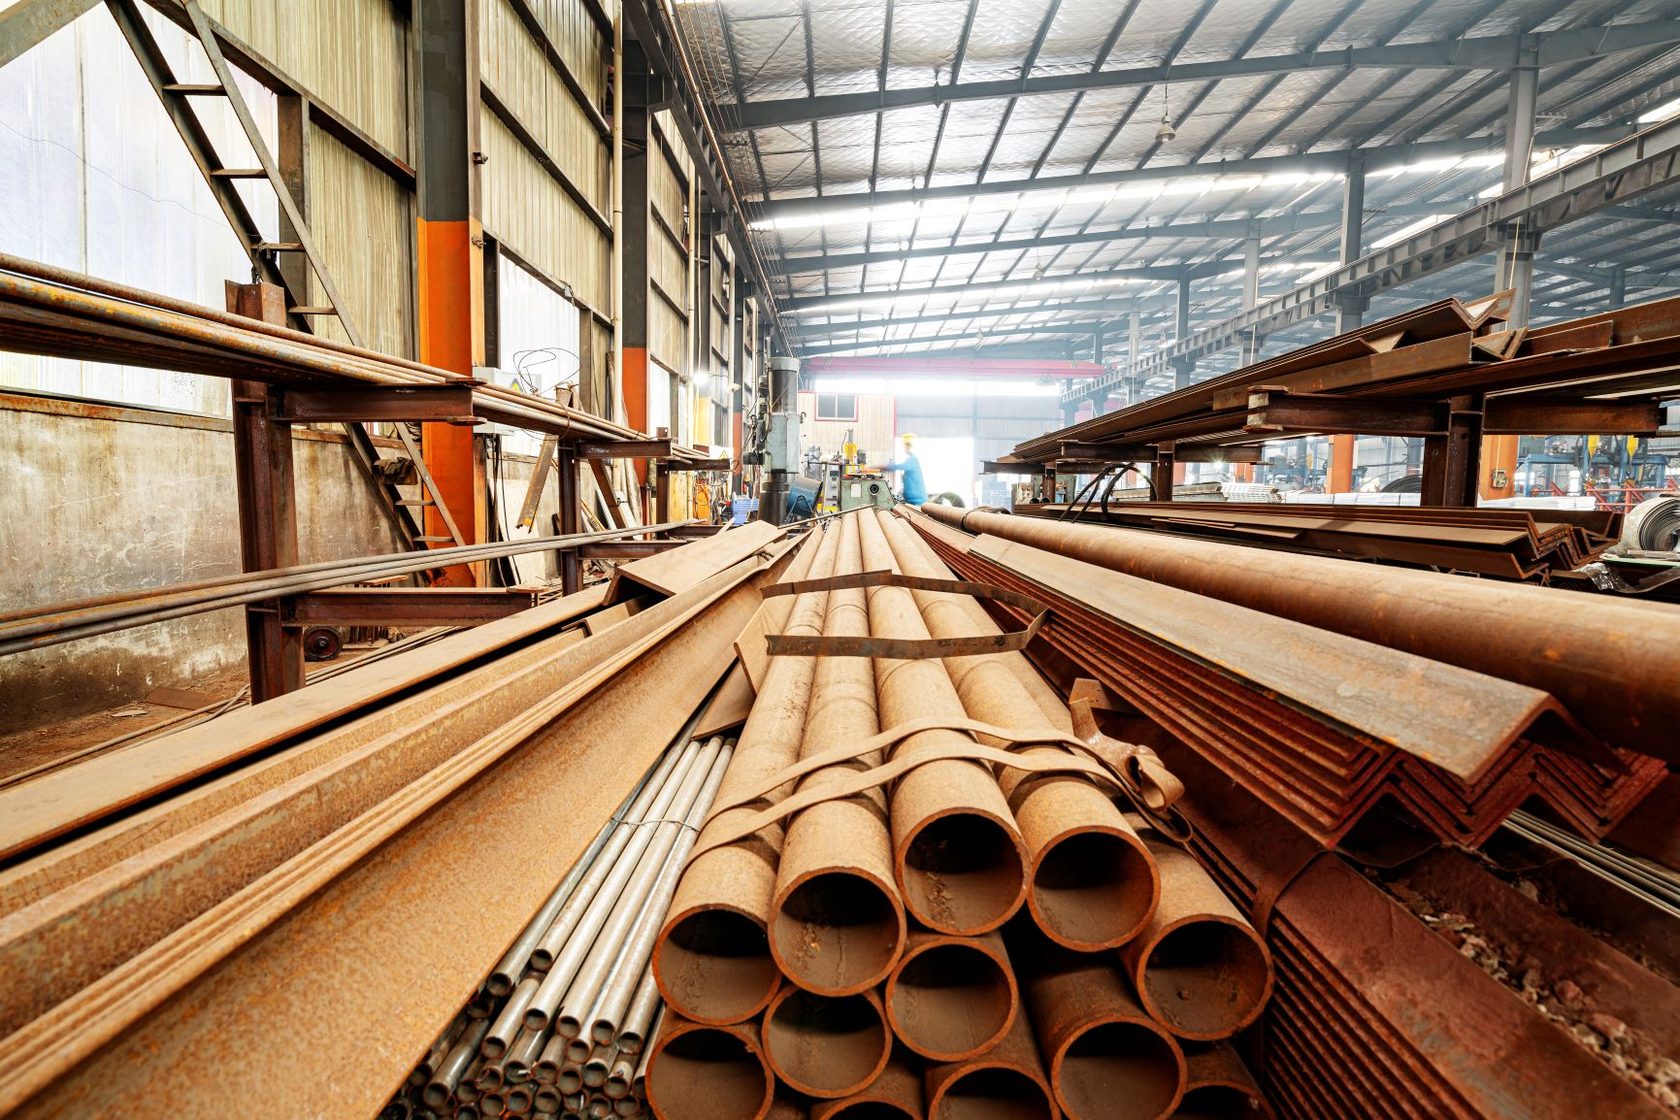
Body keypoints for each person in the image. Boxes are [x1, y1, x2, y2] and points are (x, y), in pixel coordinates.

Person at [883, 433, 927, 506]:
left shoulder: (913, 460)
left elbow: (899, 466)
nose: (904, 448)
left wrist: (885, 467)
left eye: (906, 445)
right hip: (911, 499)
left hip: (917, 500)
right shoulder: (911, 460)